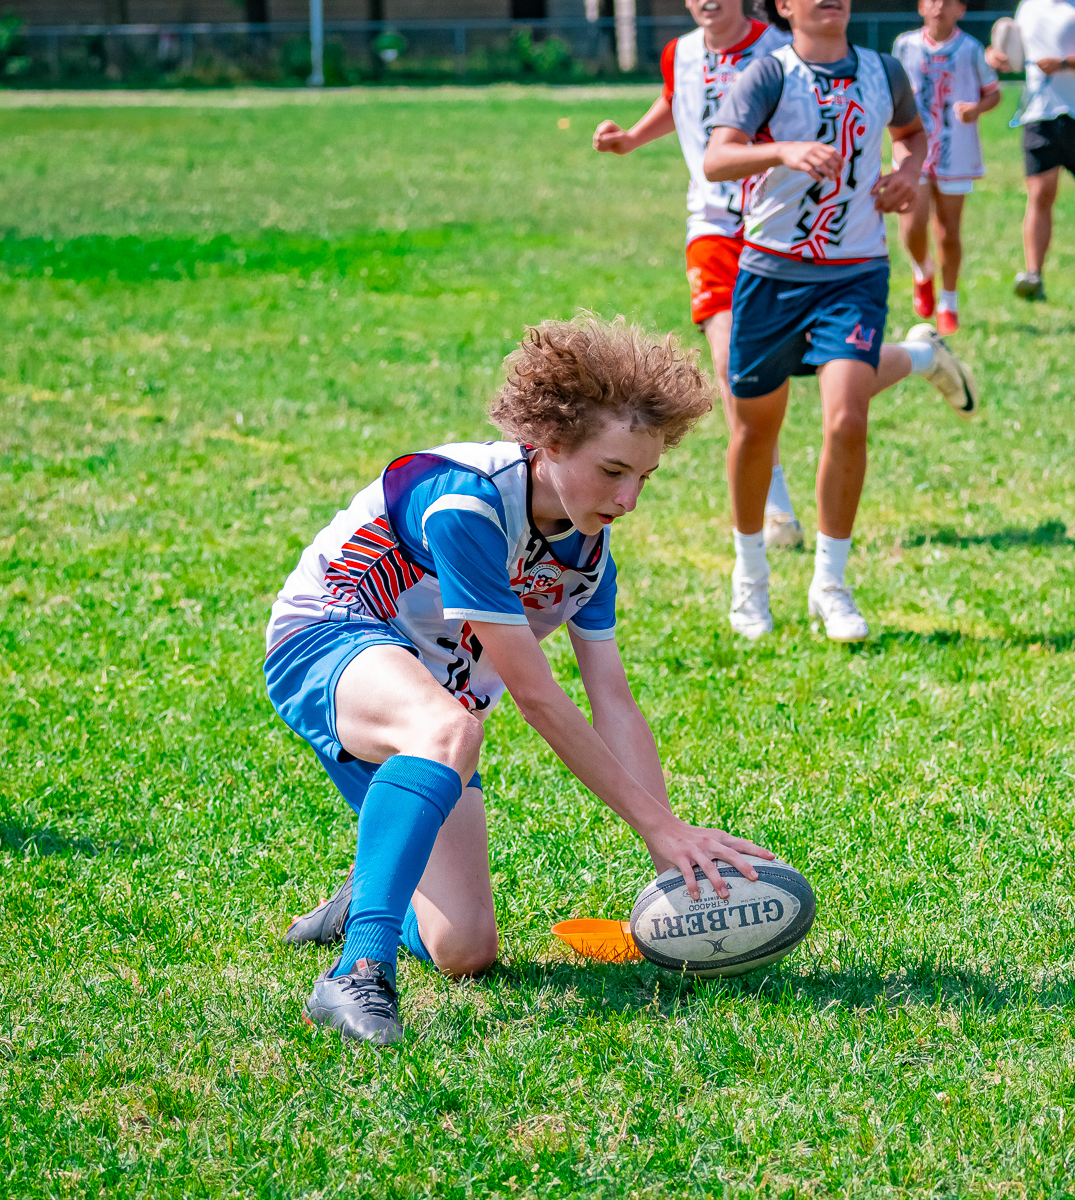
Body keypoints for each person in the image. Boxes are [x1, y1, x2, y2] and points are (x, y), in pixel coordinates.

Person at [270, 317, 774, 1044]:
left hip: (431, 702)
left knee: (466, 949)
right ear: (549, 442)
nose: (628, 500)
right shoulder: (467, 505)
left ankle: (372, 891)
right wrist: (657, 828)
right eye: (612, 472)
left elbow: (614, 701)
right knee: (448, 729)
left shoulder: (589, 555)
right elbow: (538, 698)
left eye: (644, 478)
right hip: (327, 639)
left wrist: (670, 861)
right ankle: (358, 972)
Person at [700, 0, 979, 644]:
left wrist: (909, 175)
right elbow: (718, 158)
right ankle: (750, 578)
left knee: (848, 417)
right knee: (754, 431)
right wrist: (785, 151)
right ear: (784, 6)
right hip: (771, 276)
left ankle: (831, 584)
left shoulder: (886, 70)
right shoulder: (768, 75)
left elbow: (912, 135)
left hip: (855, 273)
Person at [591, 0, 805, 551]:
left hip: (780, 223)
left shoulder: (781, 49)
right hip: (712, 224)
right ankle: (773, 504)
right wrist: (633, 138)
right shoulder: (679, 52)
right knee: (732, 361)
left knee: (820, 362)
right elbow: (675, 99)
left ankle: (920, 357)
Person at [986, 0, 1075, 302]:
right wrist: (996, 56)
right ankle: (1034, 275)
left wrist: (1064, 63)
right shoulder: (1028, 7)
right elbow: (1016, 53)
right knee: (1039, 194)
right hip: (1039, 114)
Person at [893, 0, 1002, 334]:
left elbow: (993, 93)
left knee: (948, 230)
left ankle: (948, 303)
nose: (939, 7)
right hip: (914, 147)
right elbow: (889, 91)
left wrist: (975, 109)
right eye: (932, 0)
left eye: (948, 1)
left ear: (961, 10)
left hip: (956, 149)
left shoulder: (970, 49)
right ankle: (923, 272)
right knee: (912, 226)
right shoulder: (904, 45)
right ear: (921, 7)